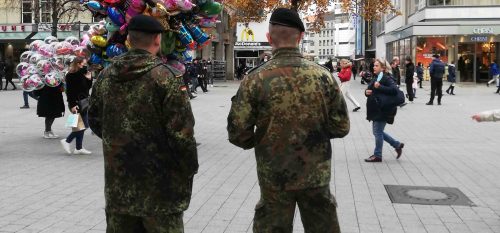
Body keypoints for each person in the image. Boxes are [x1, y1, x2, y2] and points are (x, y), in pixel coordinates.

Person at [227, 8, 349, 233]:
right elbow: (341, 127)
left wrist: (263, 140)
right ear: (301, 37)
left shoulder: (254, 79)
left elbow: (238, 133)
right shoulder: (324, 77)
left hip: (273, 174)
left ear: (269, 38)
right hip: (315, 173)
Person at [88, 15, 198, 232]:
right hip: (161, 191)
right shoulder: (167, 78)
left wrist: (120, 141)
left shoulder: (107, 75)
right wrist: (189, 169)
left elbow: (95, 121)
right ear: (157, 40)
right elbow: (181, 134)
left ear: (128, 40)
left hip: (119, 187)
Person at [364, 58, 404, 162]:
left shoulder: (387, 78)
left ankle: (378, 155)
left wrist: (380, 87)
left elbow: (394, 90)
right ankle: (397, 144)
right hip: (377, 109)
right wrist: (366, 92)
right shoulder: (377, 77)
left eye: (377, 66)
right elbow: (370, 89)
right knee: (378, 132)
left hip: (384, 109)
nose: (374, 67)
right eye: (374, 65)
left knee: (377, 132)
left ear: (383, 68)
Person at [60, 57, 93, 155]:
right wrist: (73, 104)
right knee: (83, 125)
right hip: (75, 103)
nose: (85, 65)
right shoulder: (71, 75)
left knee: (79, 126)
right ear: (78, 64)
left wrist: (89, 78)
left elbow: (87, 87)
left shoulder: (82, 74)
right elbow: (69, 91)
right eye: (84, 64)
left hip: (83, 101)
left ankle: (78, 148)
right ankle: (67, 141)